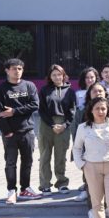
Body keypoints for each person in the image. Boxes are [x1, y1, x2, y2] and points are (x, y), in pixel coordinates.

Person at [0, 58, 41, 204]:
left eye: (20, 69)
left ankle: (25, 189)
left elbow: (35, 105)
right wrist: (7, 131)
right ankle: (11, 190)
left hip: (27, 131)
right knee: (10, 163)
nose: (17, 71)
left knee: (27, 161)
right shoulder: (1, 89)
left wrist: (14, 111)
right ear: (7, 71)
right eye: (14, 68)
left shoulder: (29, 86)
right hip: (11, 134)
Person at [37, 64, 76, 195]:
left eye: (59, 74)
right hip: (47, 124)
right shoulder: (44, 90)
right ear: (50, 77)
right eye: (54, 75)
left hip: (63, 124)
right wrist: (52, 125)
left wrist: (65, 125)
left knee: (61, 155)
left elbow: (72, 110)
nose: (57, 77)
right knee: (45, 155)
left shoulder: (70, 91)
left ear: (63, 76)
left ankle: (62, 182)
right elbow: (41, 110)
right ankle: (45, 184)